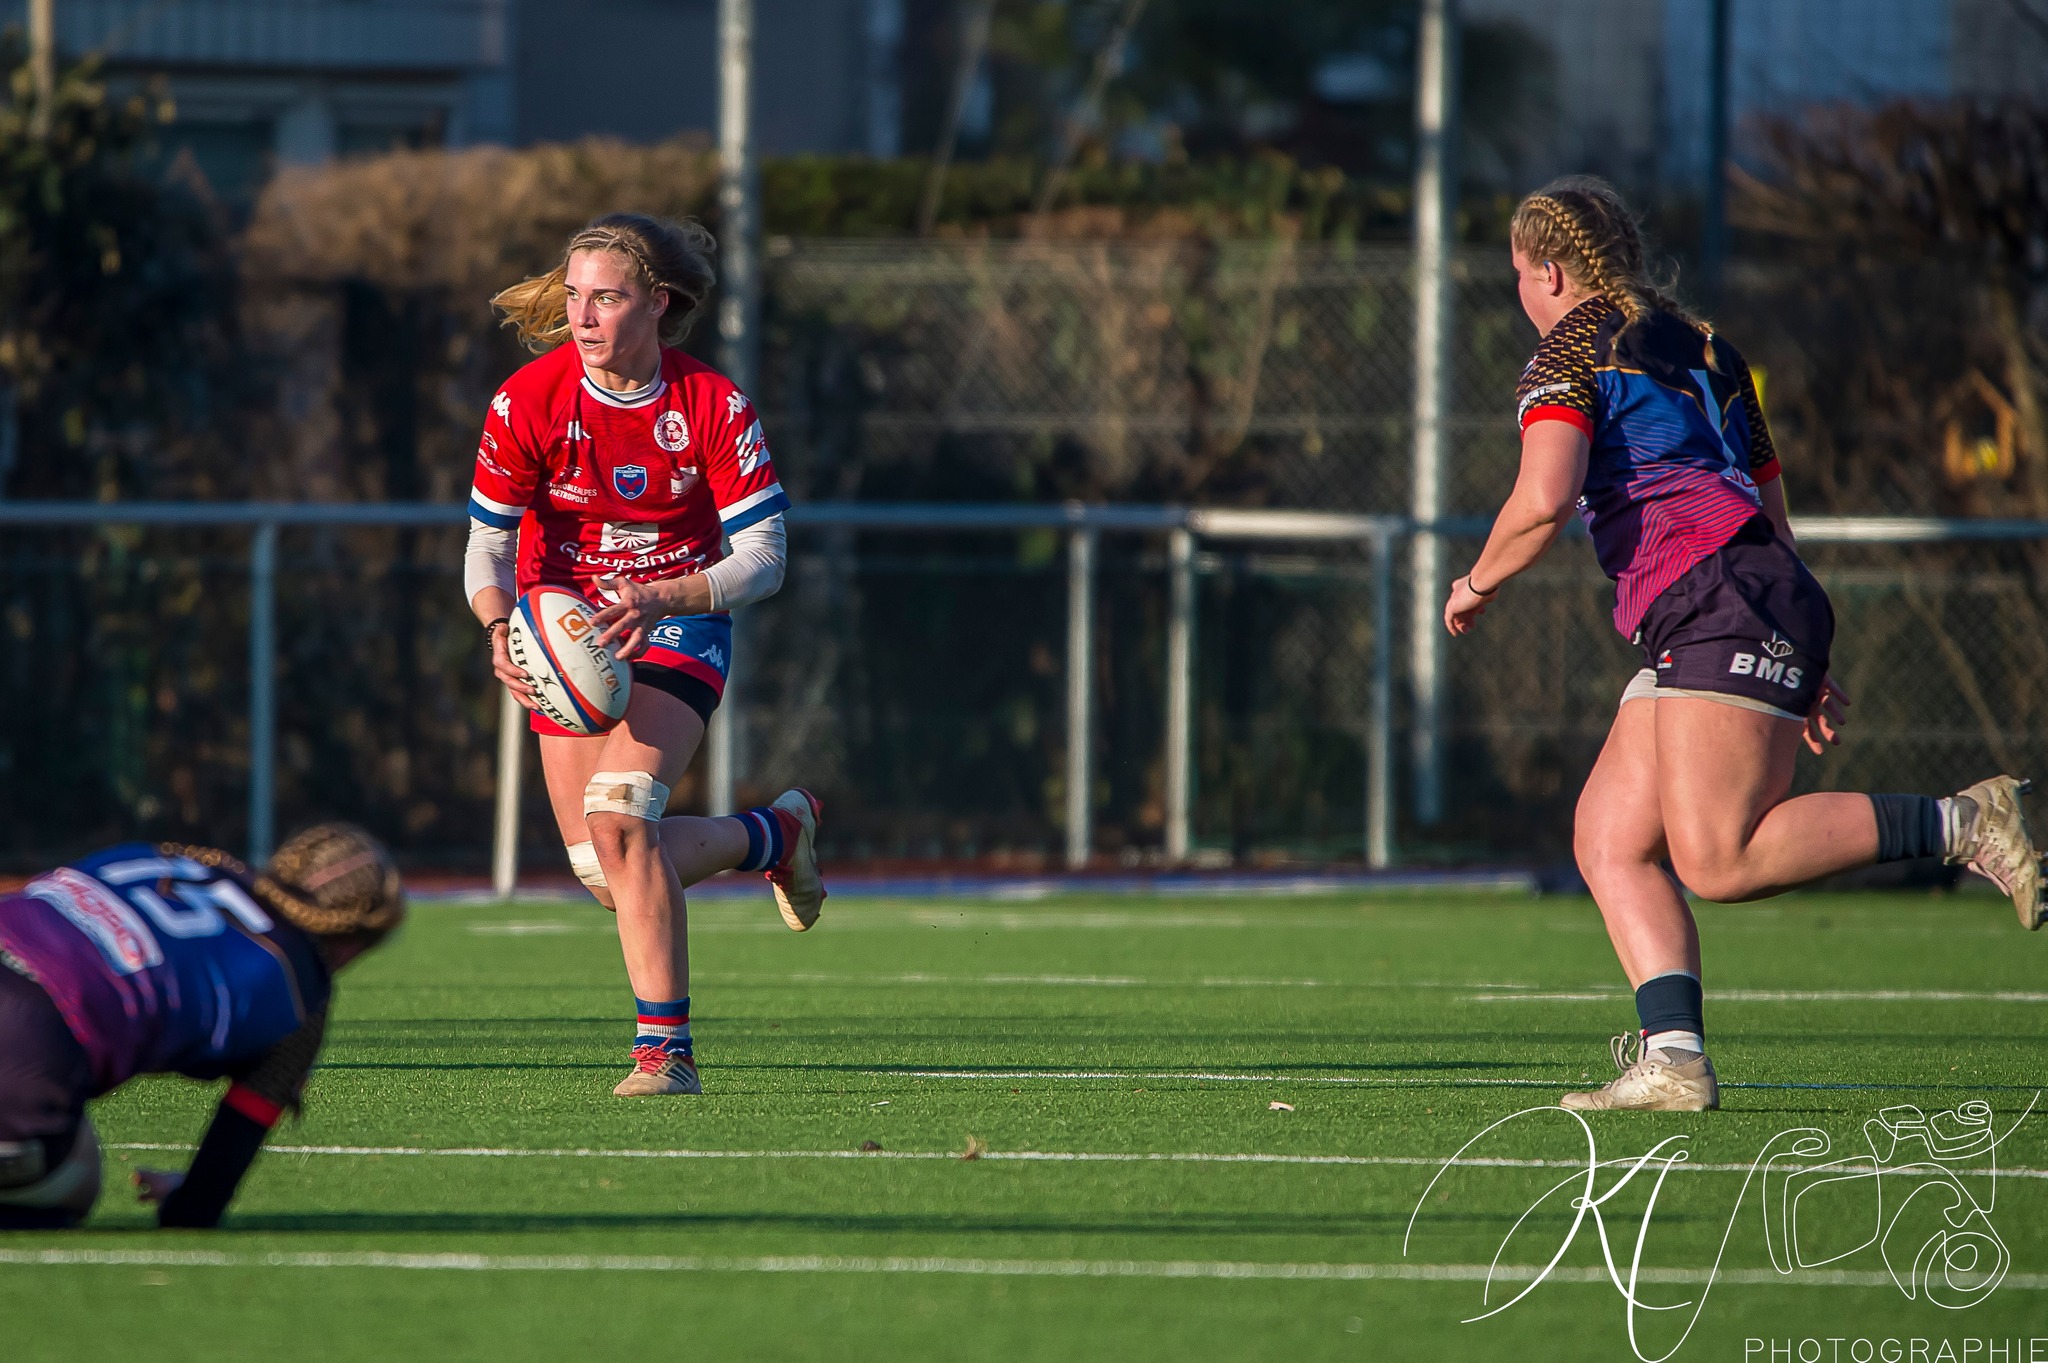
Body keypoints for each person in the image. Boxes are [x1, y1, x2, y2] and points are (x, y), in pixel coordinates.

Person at [1444, 176, 2041, 1113]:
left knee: (1717, 859)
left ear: (1549, 270)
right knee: (1609, 837)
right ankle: (1674, 1059)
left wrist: (1476, 582)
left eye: (1519, 275)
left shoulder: (1569, 348)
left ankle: (1961, 822)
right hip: (1747, 592)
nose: (1521, 294)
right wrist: (1801, 646)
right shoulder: (1710, 346)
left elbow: (1544, 497)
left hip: (1716, 596)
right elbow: (1768, 506)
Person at [466, 212, 825, 1099]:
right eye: (575, 296)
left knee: (623, 816)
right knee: (605, 869)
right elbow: (486, 545)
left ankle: (666, 1054)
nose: (583, 316)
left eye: (607, 298)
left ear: (658, 303)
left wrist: (664, 595)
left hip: (677, 619)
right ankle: (772, 834)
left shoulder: (710, 403)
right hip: (567, 630)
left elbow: (765, 559)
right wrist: (497, 628)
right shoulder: (529, 400)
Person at [0, 825, 405, 1228]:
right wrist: (188, 1196)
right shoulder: (303, 994)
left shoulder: (181, 855)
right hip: (27, 1039)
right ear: (355, 944)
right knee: (78, 1171)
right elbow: (199, 1204)